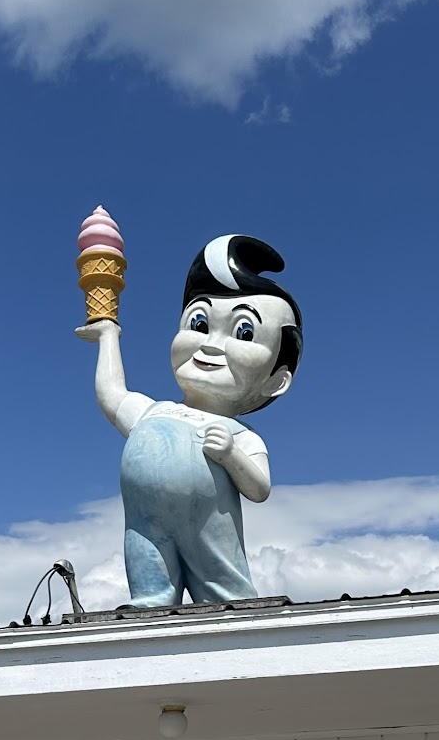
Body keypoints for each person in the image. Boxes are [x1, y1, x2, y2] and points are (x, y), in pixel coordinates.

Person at [79, 234, 302, 609]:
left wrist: (231, 455)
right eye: (199, 324)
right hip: (146, 525)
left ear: (275, 380)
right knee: (146, 554)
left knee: (222, 583)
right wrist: (108, 336)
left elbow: (259, 489)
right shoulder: (153, 410)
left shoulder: (241, 436)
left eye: (244, 332)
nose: (210, 344)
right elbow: (112, 394)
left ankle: (232, 607)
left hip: (210, 532)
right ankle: (152, 597)